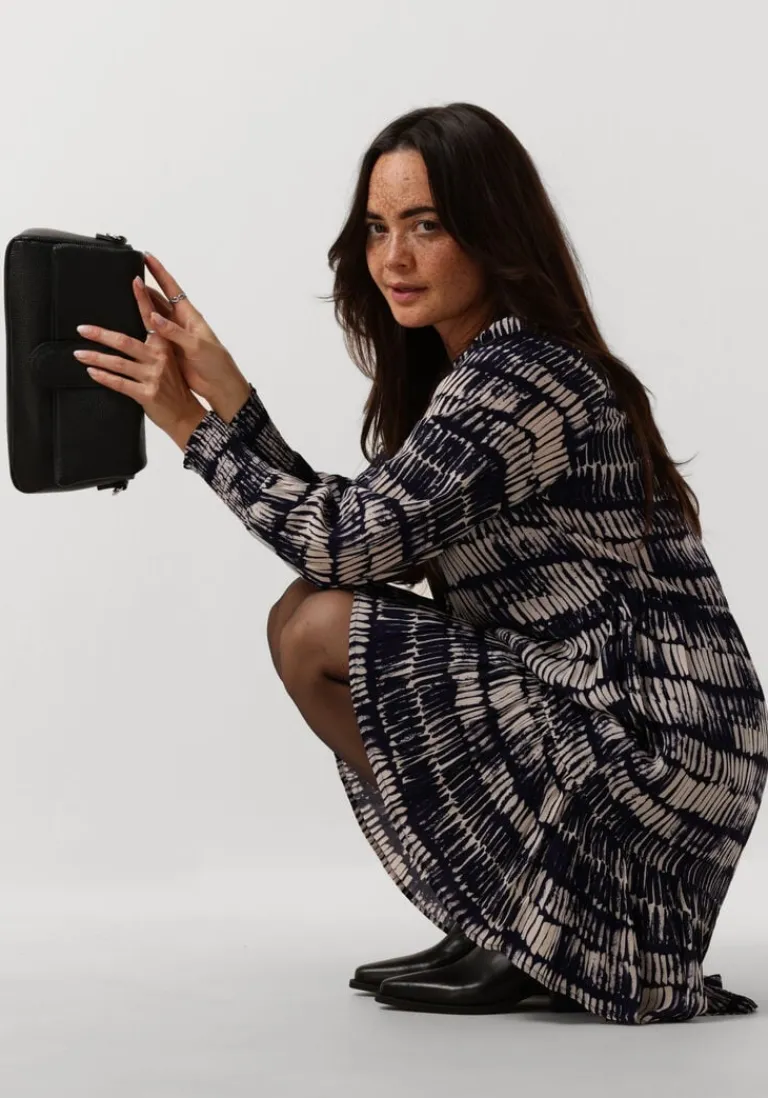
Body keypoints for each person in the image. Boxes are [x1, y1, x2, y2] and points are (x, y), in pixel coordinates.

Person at [77, 102, 768, 1025]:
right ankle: (499, 912)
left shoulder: (523, 378)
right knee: (304, 613)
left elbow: (348, 545)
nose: (393, 257)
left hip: (652, 741)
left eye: (427, 226)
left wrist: (188, 425)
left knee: (319, 628)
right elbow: (366, 536)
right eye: (377, 228)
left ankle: (533, 927)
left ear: (493, 232)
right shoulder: (479, 367)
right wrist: (227, 390)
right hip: (596, 706)